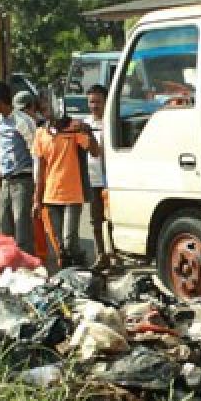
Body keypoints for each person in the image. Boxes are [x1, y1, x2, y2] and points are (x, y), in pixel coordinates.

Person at [33, 113, 99, 268]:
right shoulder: (41, 133)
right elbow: (41, 170)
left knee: (69, 240)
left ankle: (81, 263)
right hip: (51, 195)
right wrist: (37, 200)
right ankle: (70, 275)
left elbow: (95, 152)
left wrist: (87, 131)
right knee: (60, 245)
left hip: (73, 194)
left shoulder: (73, 130)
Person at [0, 80, 36, 254]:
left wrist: (37, 184)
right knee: (4, 227)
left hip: (22, 180)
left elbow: (35, 152)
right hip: (6, 180)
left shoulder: (23, 121)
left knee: (22, 226)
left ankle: (28, 266)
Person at [86, 84, 112, 271]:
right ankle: (101, 255)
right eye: (91, 102)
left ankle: (115, 256)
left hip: (112, 180)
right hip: (93, 180)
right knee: (96, 221)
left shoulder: (111, 123)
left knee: (112, 220)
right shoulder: (85, 125)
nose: (94, 106)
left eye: (98, 102)